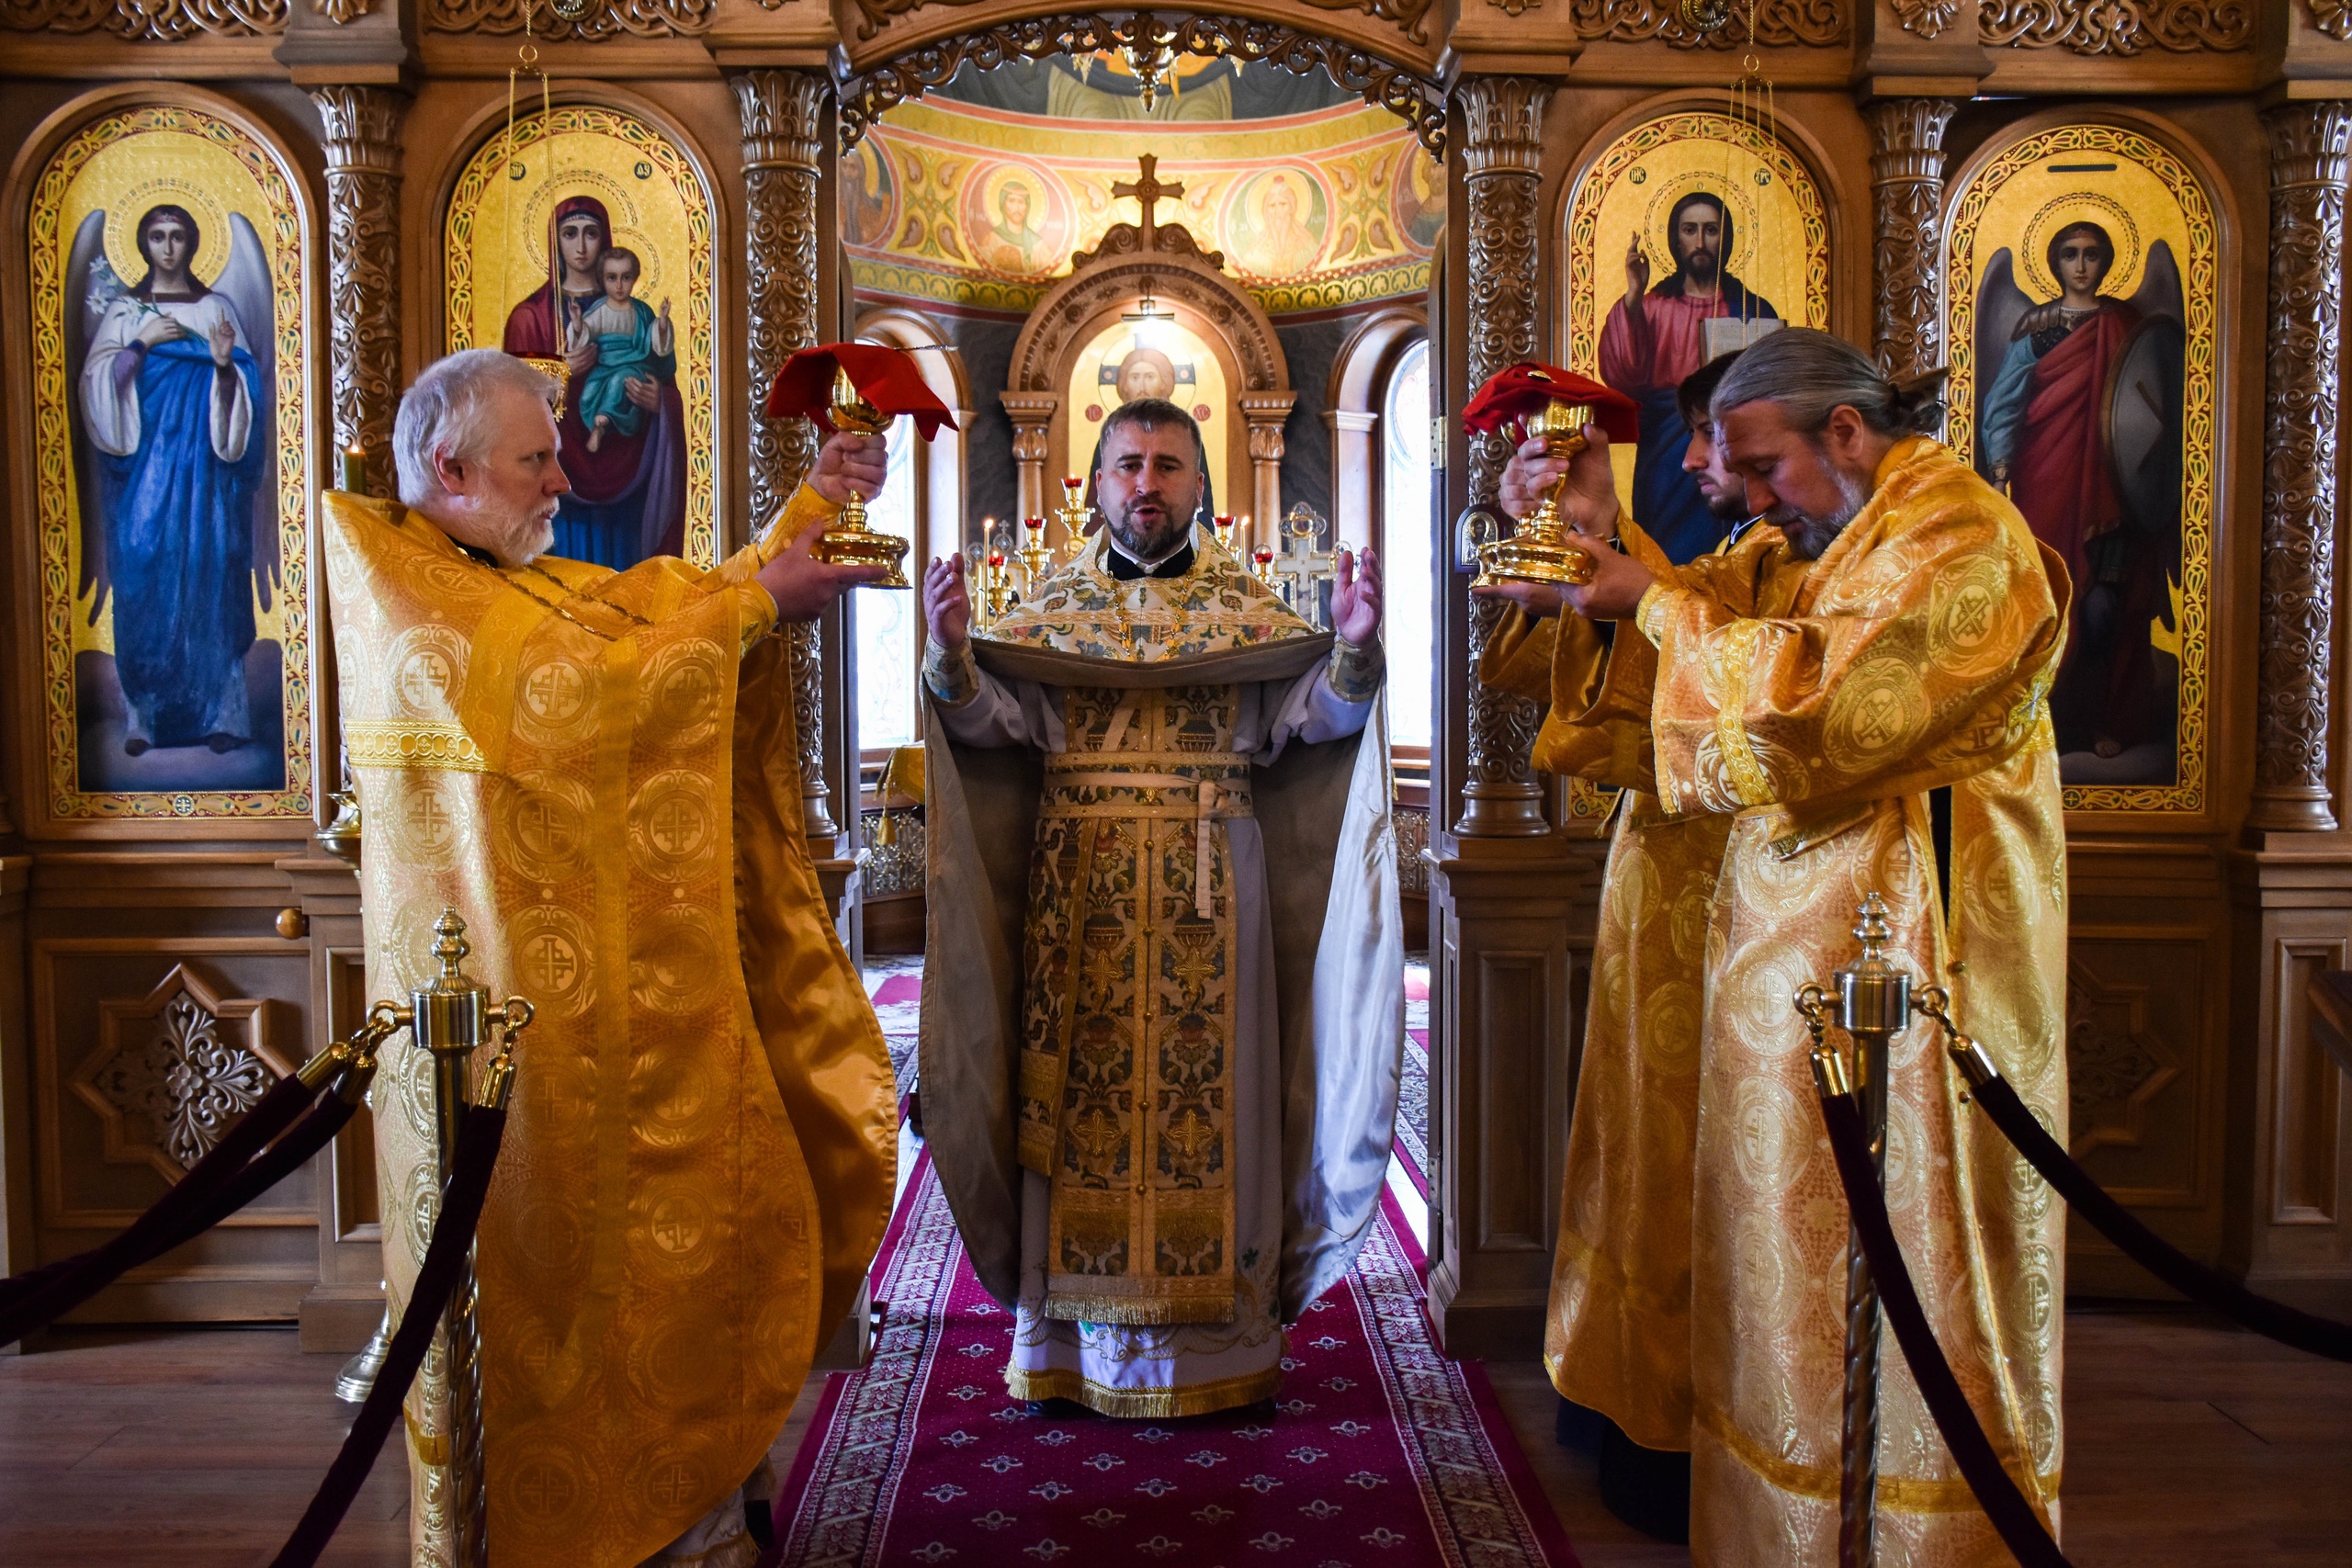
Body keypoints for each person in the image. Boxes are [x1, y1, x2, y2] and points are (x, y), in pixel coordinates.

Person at [1497, 328, 2070, 1562]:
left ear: (1847, 436)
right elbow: (1714, 620)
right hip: (1808, 985)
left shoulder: (1967, 545)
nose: (1746, 496)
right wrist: (1605, 554)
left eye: (1763, 467)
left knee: (1898, 1278)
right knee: (1790, 1286)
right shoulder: (1837, 535)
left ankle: (1904, 1529)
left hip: (1912, 989)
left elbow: (1835, 708)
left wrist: (1643, 593)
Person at [326, 349, 899, 1568]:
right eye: (537, 458)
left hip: (589, 1014)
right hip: (503, 1056)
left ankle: (679, 1504)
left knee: (656, 1263)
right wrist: (761, 605)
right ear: (450, 466)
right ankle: (593, 1529)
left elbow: (642, 607)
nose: (561, 478)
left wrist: (815, 509)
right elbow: (569, 693)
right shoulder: (408, 592)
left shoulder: (489, 572)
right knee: (563, 1291)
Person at [918, 397, 1402, 1417]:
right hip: (1075, 897)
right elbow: (998, 726)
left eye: (1168, 466)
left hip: (1214, 896)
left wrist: (1353, 653)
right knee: (1076, 1109)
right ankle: (1073, 1355)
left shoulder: (1253, 624)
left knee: (1216, 1102)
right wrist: (952, 656)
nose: (1147, 484)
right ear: (1094, 485)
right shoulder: (1049, 616)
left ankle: (1216, 1356)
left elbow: (1306, 724)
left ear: (1199, 487)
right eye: (1128, 464)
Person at [1476, 350, 1767, 1537]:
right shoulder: (1737, 545)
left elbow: (1735, 678)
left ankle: (1697, 1431)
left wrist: (1616, 567)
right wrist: (1584, 537)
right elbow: (1548, 695)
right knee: (1642, 1150)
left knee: (1707, 1162)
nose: (1694, 461)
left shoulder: (1813, 555)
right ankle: (1621, 1392)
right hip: (1660, 882)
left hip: (1756, 903)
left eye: (1713, 441)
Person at [78, 203, 266, 757]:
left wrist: (226, 365)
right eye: (157, 236)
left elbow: (246, 402)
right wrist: (142, 345)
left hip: (206, 486)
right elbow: (97, 394)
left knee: (211, 583)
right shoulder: (124, 312)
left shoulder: (216, 308)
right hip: (143, 483)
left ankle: (225, 716)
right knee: (142, 583)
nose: (167, 247)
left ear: (192, 243)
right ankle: (145, 720)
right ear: (141, 243)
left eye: (178, 236)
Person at [1977, 220, 2162, 760]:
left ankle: (2104, 718)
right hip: (2048, 480)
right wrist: (2001, 469)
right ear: (2055, 263)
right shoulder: (2038, 330)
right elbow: (2005, 404)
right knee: (2049, 602)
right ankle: (2049, 724)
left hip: (2115, 489)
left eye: (2092, 255)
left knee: (2105, 605)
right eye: (2069, 255)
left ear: (2106, 262)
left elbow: (2152, 396)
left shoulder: (2127, 325)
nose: (2081, 265)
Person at [501, 195, 687, 568]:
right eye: (570, 234)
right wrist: (561, 372)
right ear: (556, 241)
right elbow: (510, 406)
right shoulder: (530, 317)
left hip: (628, 478)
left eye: (591, 233)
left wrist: (658, 401)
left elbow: (664, 375)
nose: (582, 246)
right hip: (557, 483)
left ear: (606, 241)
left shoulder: (636, 312)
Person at [1599, 193, 1781, 564]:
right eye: (1690, 230)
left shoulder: (1752, 309)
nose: (1700, 242)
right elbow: (1623, 377)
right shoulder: (1651, 307)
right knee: (1667, 550)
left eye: (1710, 230)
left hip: (1731, 449)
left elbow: (1774, 383)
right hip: (1665, 455)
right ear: (1675, 239)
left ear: (1725, 238)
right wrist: (1634, 295)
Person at [569, 247, 673, 454]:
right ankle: (597, 424)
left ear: (634, 279)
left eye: (625, 278)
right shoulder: (599, 311)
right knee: (588, 393)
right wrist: (577, 323)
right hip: (604, 366)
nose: (619, 285)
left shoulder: (642, 311)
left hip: (634, 364)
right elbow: (583, 338)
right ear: (602, 279)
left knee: (621, 381)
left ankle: (603, 421)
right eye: (611, 278)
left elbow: (656, 344)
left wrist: (661, 323)